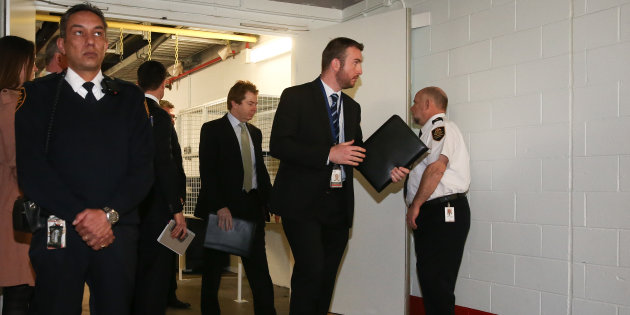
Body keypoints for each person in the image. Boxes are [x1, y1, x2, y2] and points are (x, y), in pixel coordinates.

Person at [14, 3, 154, 314]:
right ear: (62, 45)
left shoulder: (130, 99)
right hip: (58, 229)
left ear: (106, 44)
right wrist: (84, 216)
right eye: (79, 33)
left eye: (97, 34)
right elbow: (33, 171)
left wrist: (108, 216)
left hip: (116, 231)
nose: (89, 41)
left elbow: (143, 170)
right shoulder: (37, 96)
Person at [269, 37, 366, 315]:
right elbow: (280, 145)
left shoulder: (352, 107)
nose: (360, 70)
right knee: (310, 271)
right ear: (336, 64)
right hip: (301, 205)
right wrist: (328, 153)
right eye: (356, 62)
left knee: (325, 279)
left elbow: (355, 152)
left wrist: (388, 168)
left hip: (338, 207)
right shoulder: (295, 96)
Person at [194, 80, 276, 315]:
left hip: (252, 209)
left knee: (259, 269)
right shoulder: (212, 130)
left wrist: (271, 202)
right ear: (234, 103)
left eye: (255, 104)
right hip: (224, 212)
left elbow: (259, 170)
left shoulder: (255, 133)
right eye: (250, 103)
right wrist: (220, 206)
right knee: (213, 270)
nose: (254, 108)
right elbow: (207, 171)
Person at [390, 87, 471, 315]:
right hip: (435, 213)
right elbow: (423, 171)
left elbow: (436, 169)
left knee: (437, 283)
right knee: (432, 281)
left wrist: (415, 205)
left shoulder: (440, 129)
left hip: (443, 212)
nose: (412, 107)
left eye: (415, 102)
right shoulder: (427, 134)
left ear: (427, 105)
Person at [133, 60, 188, 314]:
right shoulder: (159, 117)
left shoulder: (127, 113)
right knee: (156, 274)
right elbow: (164, 164)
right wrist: (176, 208)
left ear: (137, 83)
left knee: (134, 270)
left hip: (130, 209)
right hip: (158, 208)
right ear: (163, 84)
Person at [0, 35, 36, 315]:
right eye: (31, 63)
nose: (34, 70)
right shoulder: (13, 105)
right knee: (19, 287)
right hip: (12, 208)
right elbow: (19, 162)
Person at [158, 99, 192, 310]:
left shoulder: (172, 135)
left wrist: (180, 195)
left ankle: (170, 294)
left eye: (172, 116)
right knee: (159, 258)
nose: (171, 119)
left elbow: (177, 166)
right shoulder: (157, 136)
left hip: (174, 203)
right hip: (161, 206)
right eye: (168, 115)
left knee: (171, 255)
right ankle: (161, 296)